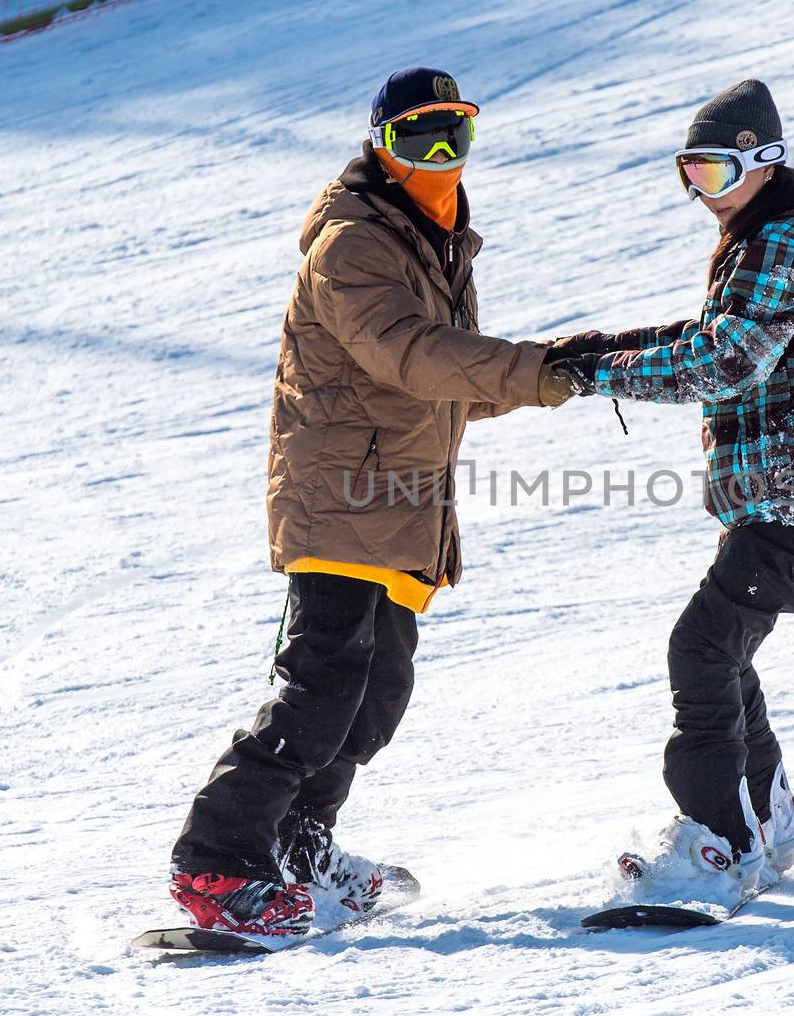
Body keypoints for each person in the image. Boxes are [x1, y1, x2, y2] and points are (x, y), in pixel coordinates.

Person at [168, 67, 577, 939]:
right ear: (379, 147)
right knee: (321, 686)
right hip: (341, 495)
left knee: (376, 692)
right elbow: (417, 357)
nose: (435, 154)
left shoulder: (435, 241)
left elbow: (453, 383)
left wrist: (559, 373)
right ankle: (219, 860)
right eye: (413, 137)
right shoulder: (353, 242)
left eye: (451, 134)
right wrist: (536, 368)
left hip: (399, 499)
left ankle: (301, 843)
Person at [546, 79, 794, 900]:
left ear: (765, 162)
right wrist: (598, 347)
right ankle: (766, 820)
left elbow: (722, 359)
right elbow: (707, 336)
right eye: (690, 174)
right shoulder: (770, 238)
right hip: (787, 489)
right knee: (724, 651)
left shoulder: (782, 242)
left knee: (700, 648)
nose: (705, 192)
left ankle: (719, 844)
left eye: (717, 172)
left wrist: (601, 375)